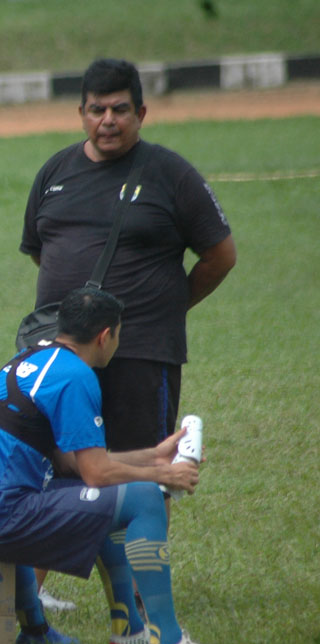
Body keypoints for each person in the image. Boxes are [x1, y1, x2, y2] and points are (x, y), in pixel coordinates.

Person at [0, 288, 241, 644]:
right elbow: (97, 472)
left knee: (110, 498)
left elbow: (73, 464)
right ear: (105, 336)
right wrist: (161, 474)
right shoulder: (76, 375)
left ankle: (126, 631)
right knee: (145, 497)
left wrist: (154, 454)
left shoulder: (32, 360)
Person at [21, 57, 236, 455]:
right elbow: (40, 251)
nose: (108, 120)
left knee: (145, 468)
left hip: (140, 351)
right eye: (96, 110)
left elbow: (220, 255)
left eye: (119, 109)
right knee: (64, 467)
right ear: (81, 114)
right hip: (59, 354)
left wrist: (169, 305)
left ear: (140, 113)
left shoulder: (172, 175)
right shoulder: (54, 172)